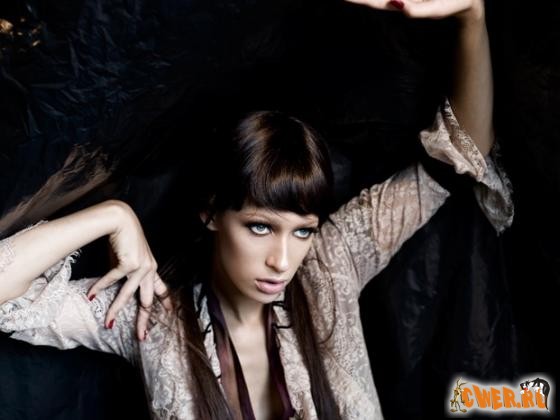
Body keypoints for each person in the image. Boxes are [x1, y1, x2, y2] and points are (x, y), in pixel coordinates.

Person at [0, 0, 513, 419]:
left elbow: (455, 164)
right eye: (260, 227)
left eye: (303, 231)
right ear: (211, 214)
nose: (282, 261)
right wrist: (114, 215)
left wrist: (473, 17)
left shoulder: (332, 268)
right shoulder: (155, 321)